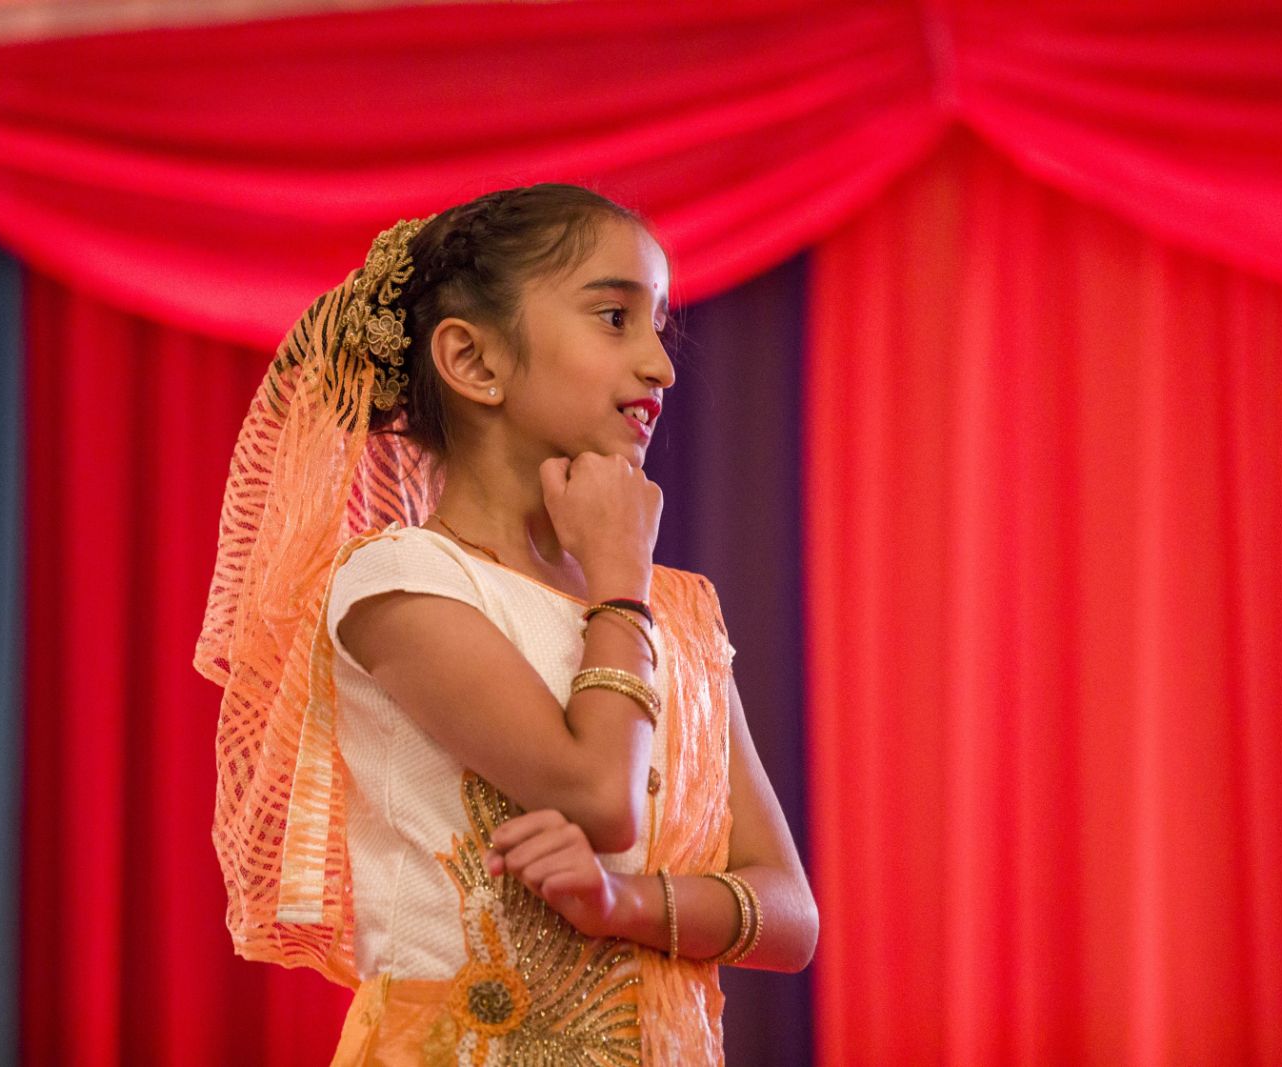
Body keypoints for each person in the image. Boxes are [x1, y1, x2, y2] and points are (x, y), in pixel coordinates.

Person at [195, 183, 817, 1065]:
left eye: (660, 327)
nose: (661, 367)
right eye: (614, 317)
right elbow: (598, 793)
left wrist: (624, 905)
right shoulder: (399, 580)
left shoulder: (673, 608)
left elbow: (789, 913)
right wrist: (618, 583)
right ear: (473, 361)